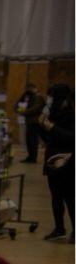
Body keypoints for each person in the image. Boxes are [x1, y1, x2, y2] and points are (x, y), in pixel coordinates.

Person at [39, 83, 74, 243]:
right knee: (56, 197)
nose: (50, 99)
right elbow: (48, 138)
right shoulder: (52, 113)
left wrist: (52, 127)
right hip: (52, 159)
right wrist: (42, 125)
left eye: (52, 96)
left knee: (70, 197)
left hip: (67, 160)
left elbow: (70, 137)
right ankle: (59, 228)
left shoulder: (71, 114)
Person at [17, 83, 46, 162]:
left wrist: (24, 112)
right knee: (29, 140)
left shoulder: (38, 97)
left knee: (33, 141)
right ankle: (30, 156)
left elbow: (35, 109)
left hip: (35, 122)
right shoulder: (31, 97)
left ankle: (33, 158)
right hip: (29, 122)